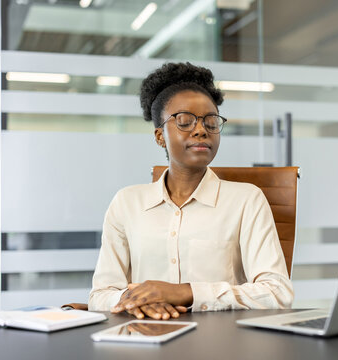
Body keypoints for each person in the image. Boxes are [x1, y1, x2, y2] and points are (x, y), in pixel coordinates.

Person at [88, 62, 293, 320]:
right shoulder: (126, 202)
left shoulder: (246, 200)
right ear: (160, 135)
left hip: (222, 343)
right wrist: (143, 301)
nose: (200, 130)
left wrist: (187, 292)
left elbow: (277, 292)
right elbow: (100, 295)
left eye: (211, 122)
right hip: (147, 338)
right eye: (184, 121)